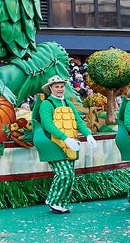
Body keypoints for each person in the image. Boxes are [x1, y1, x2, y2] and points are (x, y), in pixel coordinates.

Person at [33, 75, 94, 214]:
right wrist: (65, 138)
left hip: (71, 145)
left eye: (61, 86)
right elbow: (48, 125)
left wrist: (88, 134)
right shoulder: (46, 104)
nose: (60, 89)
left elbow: (78, 121)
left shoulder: (69, 103)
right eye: (56, 87)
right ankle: (53, 200)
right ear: (50, 88)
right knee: (63, 174)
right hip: (54, 144)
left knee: (70, 176)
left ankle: (61, 203)